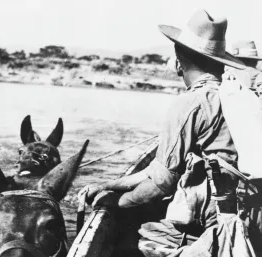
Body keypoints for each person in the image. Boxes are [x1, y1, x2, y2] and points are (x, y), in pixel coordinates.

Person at [80, 9, 245, 210]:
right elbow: (158, 170)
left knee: (147, 234)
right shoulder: (236, 93)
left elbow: (161, 185)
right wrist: (107, 185)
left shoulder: (190, 102)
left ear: (178, 63)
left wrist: (116, 202)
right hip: (243, 206)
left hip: (217, 215)